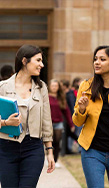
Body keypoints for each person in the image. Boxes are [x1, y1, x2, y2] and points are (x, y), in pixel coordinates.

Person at [72, 45, 109, 188]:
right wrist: (81, 109)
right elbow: (77, 122)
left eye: (102, 59)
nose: (96, 62)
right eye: (95, 59)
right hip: (92, 151)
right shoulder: (86, 86)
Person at [0, 44, 55, 188]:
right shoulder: (2, 88)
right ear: (25, 61)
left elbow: (46, 120)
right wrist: (6, 123)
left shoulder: (41, 87)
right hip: (5, 148)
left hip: (33, 148)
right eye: (38, 60)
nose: (41, 65)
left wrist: (49, 151)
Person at [48, 79, 75, 167]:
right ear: (50, 87)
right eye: (53, 86)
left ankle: (55, 161)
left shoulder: (61, 97)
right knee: (50, 142)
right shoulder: (46, 97)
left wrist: (71, 124)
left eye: (56, 86)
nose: (54, 87)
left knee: (57, 142)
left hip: (59, 122)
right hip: (48, 123)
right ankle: (49, 159)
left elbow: (66, 111)